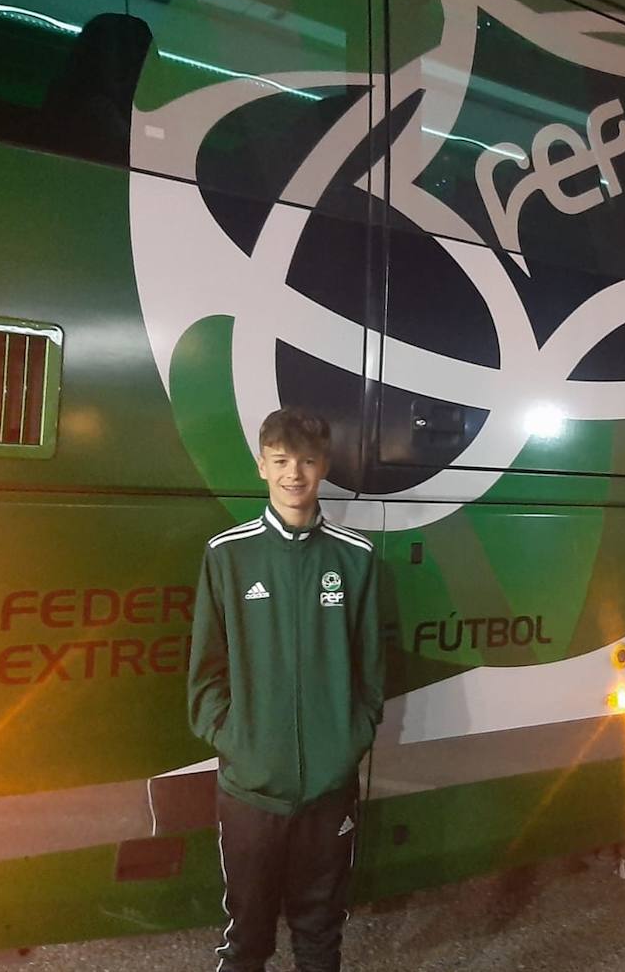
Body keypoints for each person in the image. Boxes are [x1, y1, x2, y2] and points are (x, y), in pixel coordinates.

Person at [188, 408, 382, 972]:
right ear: (262, 467)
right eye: (280, 461)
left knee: (320, 936)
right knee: (246, 939)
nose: (293, 474)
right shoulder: (228, 554)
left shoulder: (356, 557)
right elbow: (205, 672)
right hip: (252, 790)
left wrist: (350, 740)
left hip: (329, 790)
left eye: (306, 461)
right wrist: (238, 742)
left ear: (324, 467)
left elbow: (371, 671)